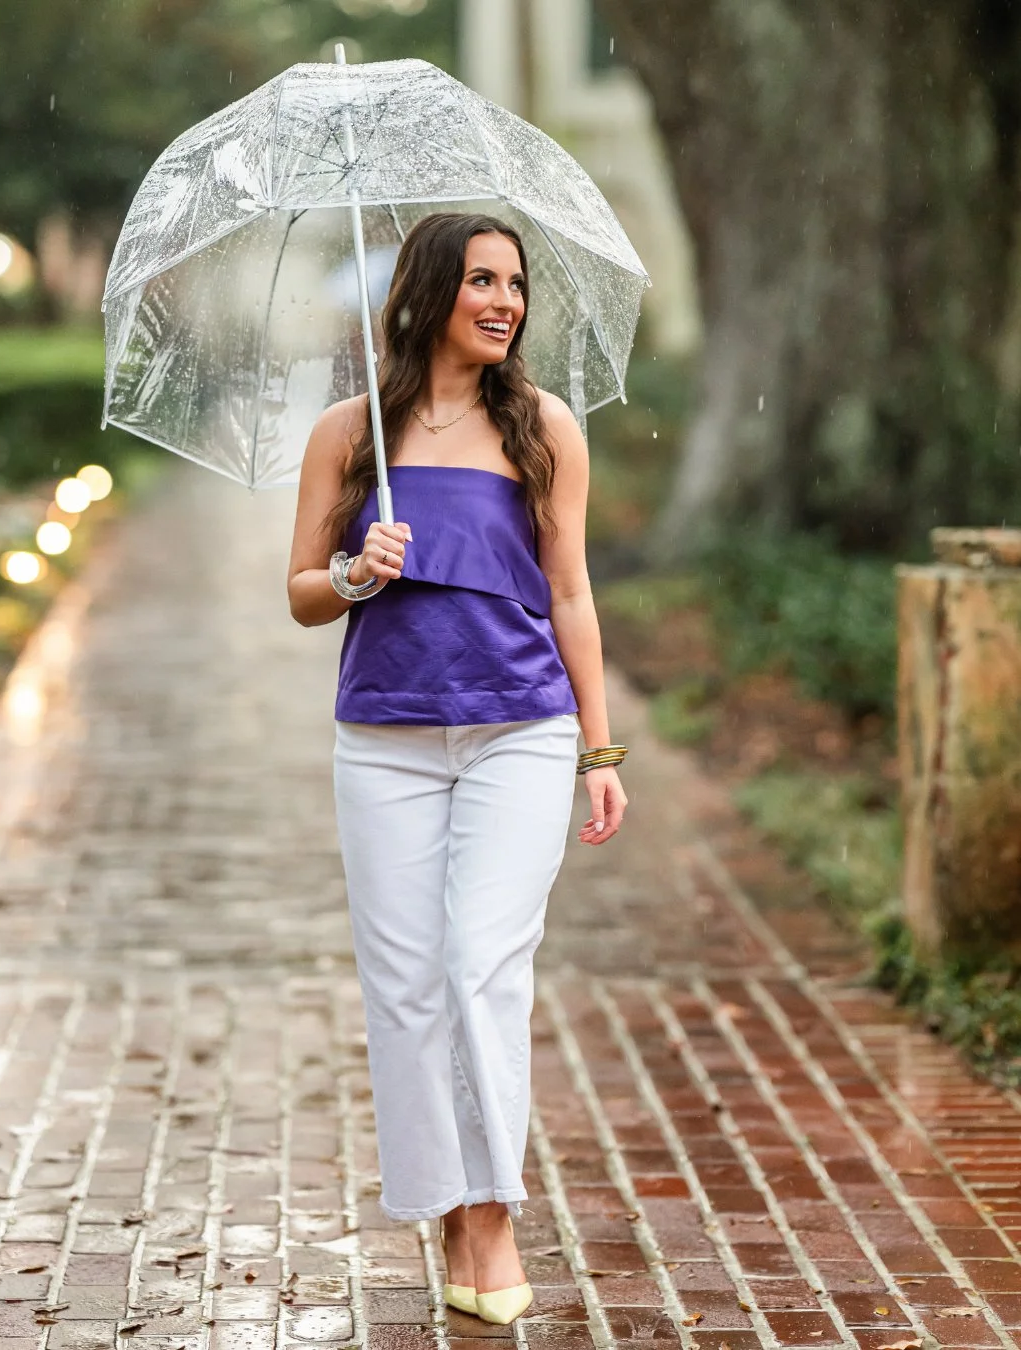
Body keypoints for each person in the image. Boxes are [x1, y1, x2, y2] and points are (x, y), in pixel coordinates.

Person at [286, 212, 628, 1325]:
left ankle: (491, 1213)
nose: (505, 302)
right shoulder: (349, 433)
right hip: (384, 737)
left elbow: (570, 590)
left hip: (519, 729)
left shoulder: (544, 427)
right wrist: (356, 572)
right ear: (430, 292)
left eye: (515, 284)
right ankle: (441, 1203)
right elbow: (299, 593)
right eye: (482, 280)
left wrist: (598, 748)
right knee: (406, 984)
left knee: (483, 964)